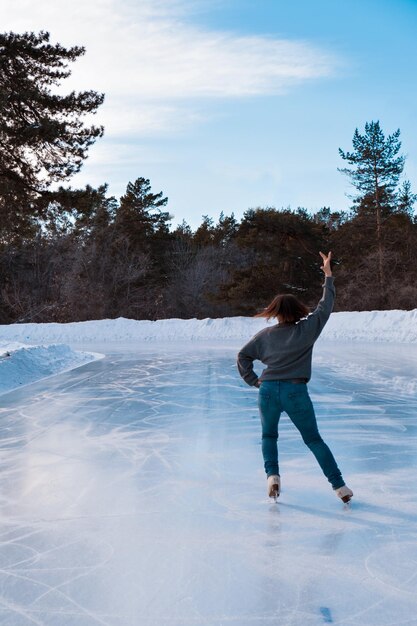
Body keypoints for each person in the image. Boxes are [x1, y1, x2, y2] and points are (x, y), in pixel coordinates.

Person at [237, 252, 353, 504]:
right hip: (295, 391)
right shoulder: (307, 330)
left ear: (275, 312)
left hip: (267, 390)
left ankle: (272, 477)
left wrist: (254, 381)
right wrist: (328, 275)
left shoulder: (265, 335)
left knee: (269, 436)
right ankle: (340, 486)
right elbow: (326, 306)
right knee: (313, 439)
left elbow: (243, 356)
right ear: (297, 311)